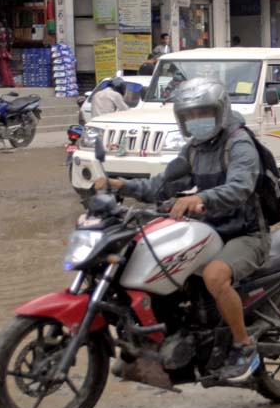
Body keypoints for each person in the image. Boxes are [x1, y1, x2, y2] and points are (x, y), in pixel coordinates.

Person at [94, 78, 270, 381]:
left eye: (203, 113)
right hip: (209, 229)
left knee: (215, 276)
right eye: (189, 115)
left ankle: (245, 346)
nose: (196, 120)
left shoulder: (239, 143)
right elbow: (162, 185)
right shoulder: (194, 148)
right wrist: (121, 184)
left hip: (245, 233)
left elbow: (240, 187)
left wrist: (199, 197)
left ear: (220, 111)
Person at [0, 20, 14, 87]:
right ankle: (11, 83)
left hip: (1, 50)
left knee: (2, 67)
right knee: (7, 67)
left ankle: (6, 83)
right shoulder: (9, 30)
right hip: (8, 50)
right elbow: (12, 40)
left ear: (1, 23)